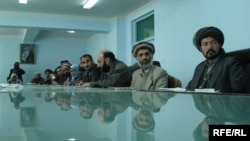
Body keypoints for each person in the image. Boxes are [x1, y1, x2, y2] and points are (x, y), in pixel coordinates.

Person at [186, 26, 247, 93]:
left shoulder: (231, 63)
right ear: (200, 48)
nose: (210, 47)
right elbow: (189, 90)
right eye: (205, 44)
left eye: (213, 42)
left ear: (220, 44)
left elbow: (240, 94)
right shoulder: (199, 67)